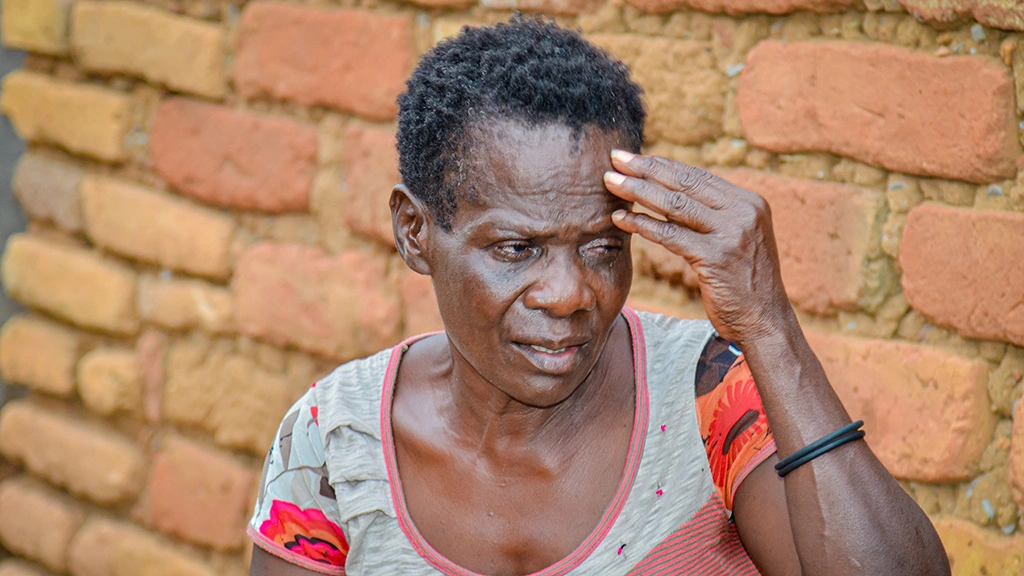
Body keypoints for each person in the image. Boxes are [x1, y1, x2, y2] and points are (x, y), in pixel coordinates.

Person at [247, 16, 949, 576]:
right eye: (516, 250)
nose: (569, 294)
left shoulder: (708, 398)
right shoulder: (334, 443)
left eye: (602, 247)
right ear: (413, 231)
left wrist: (768, 325)